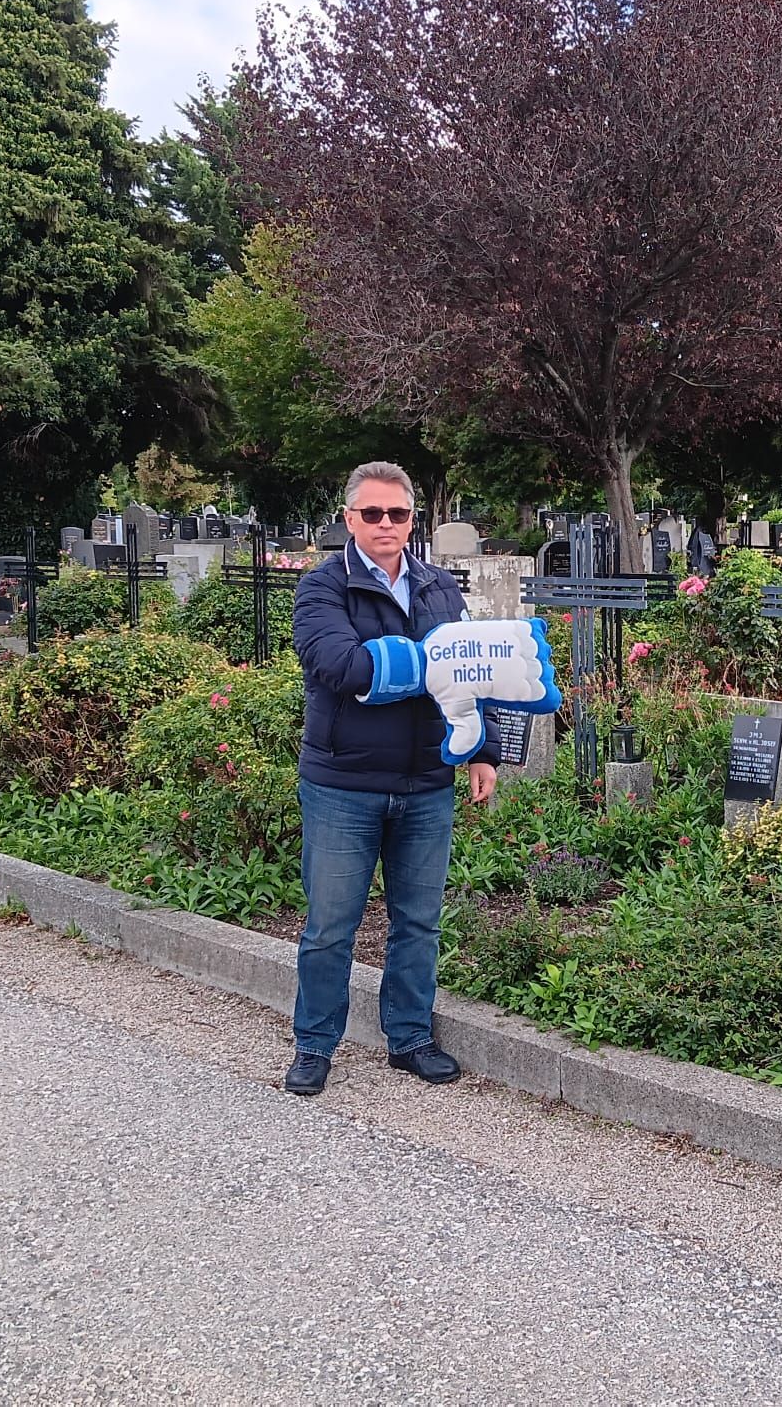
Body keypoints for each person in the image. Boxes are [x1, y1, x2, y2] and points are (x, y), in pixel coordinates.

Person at [283, 461, 499, 1096]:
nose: (385, 524)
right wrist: (423, 666)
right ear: (349, 519)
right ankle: (315, 1044)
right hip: (344, 784)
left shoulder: (440, 588)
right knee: (331, 924)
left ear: (413, 520)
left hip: (428, 779)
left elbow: (468, 676)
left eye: (397, 514)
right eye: (371, 513)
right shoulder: (323, 588)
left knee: (419, 920)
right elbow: (343, 668)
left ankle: (408, 1037)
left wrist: (480, 749)